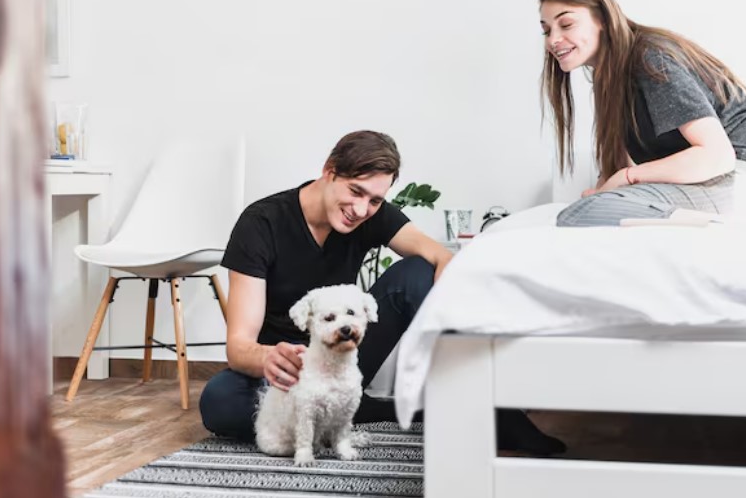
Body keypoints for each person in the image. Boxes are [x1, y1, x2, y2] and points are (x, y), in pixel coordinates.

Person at [199, 130, 566, 455]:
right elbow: (239, 345)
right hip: (290, 370)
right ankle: (363, 409)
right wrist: (266, 357)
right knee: (220, 403)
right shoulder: (262, 223)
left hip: (346, 353)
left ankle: (489, 407)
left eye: (375, 200)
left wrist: (452, 293)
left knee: (418, 273)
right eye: (355, 191)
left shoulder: (370, 213)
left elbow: (437, 255)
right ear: (330, 171)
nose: (361, 209)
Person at [538, 0, 746, 227]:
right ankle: (705, 227)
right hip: (728, 181)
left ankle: (721, 228)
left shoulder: (650, 59)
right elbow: (618, 167)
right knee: (591, 208)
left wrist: (627, 178)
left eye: (566, 24)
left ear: (604, 19)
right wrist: (605, 189)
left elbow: (718, 156)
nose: (554, 40)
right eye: (546, 30)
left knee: (581, 214)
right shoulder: (609, 79)